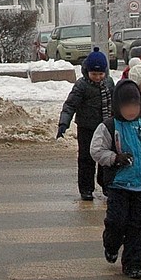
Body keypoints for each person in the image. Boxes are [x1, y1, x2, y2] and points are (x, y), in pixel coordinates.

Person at [90, 79, 141, 278]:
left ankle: (133, 264)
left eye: (134, 106)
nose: (131, 110)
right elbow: (96, 150)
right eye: (126, 106)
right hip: (119, 185)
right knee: (117, 222)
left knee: (139, 227)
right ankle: (111, 244)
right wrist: (114, 158)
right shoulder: (109, 127)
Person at [57, 48, 114, 201]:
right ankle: (86, 188)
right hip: (86, 128)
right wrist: (64, 123)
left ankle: (107, 185)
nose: (97, 77)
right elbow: (70, 105)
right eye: (94, 74)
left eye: (100, 74)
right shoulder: (81, 85)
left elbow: (116, 102)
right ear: (87, 71)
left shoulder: (109, 83)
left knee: (107, 158)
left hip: (106, 128)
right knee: (86, 159)